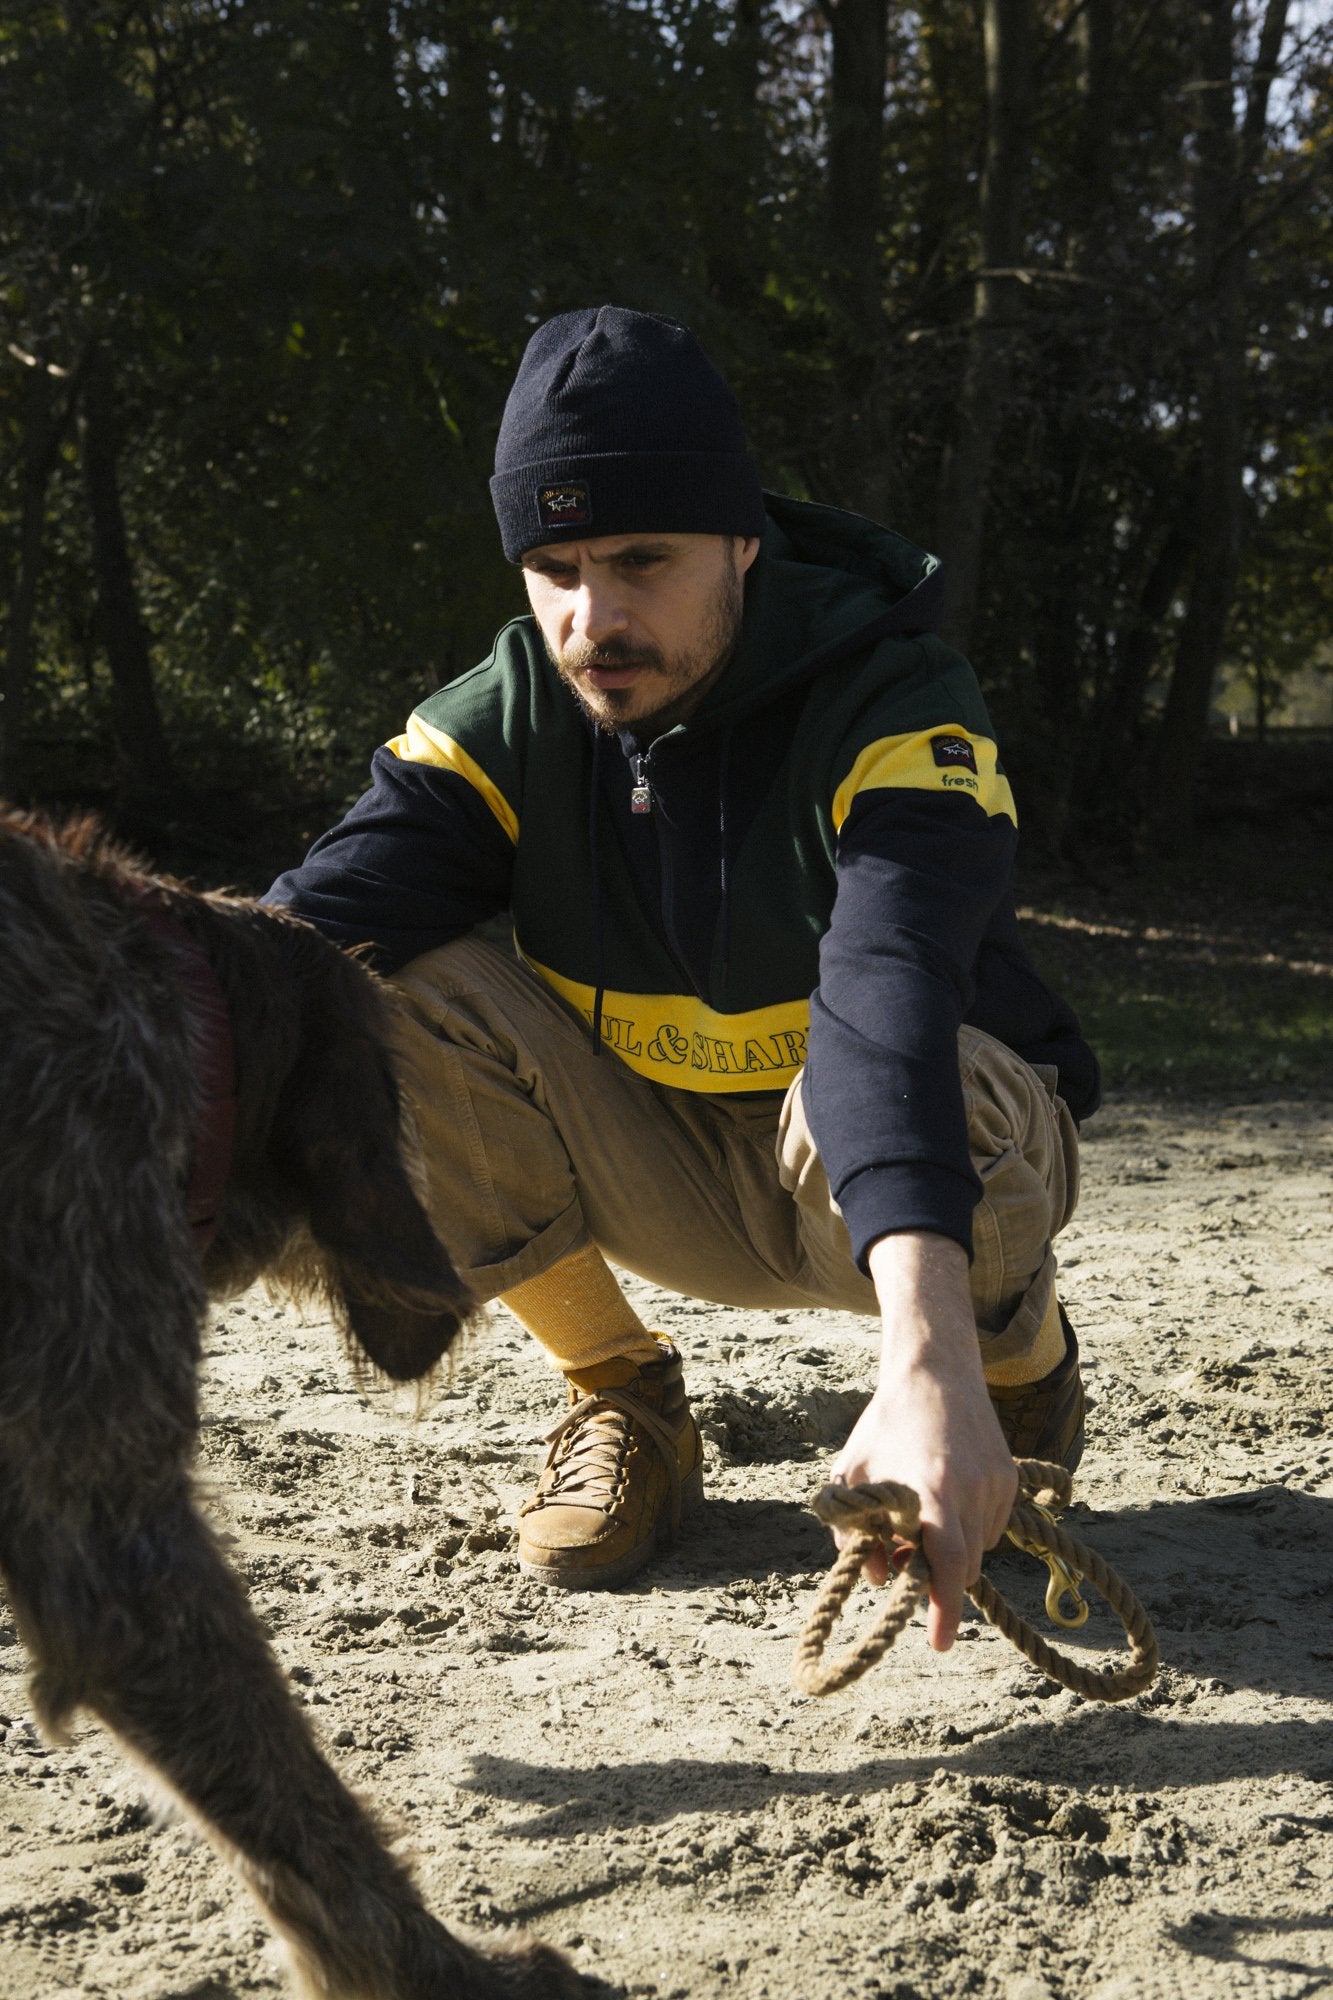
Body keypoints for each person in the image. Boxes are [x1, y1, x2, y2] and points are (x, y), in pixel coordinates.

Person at [267, 306, 1098, 1652]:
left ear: (740, 541)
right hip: (650, 1160)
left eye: (641, 559)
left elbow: (885, 985)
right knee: (363, 992)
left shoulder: (894, 699)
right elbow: (286, 943)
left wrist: (927, 1360)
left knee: (925, 1067)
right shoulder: (507, 716)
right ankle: (626, 1400)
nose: (594, 618)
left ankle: (1009, 1382)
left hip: (892, 1180)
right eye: (556, 567)